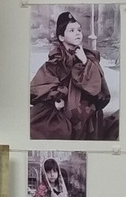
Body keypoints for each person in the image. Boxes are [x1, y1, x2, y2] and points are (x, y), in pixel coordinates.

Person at [30, 11, 114, 140]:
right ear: (61, 37)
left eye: (79, 30)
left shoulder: (89, 57)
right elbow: (40, 85)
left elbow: (98, 87)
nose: (77, 33)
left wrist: (85, 61)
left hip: (84, 109)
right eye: (72, 30)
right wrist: (55, 100)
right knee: (50, 129)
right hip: (61, 108)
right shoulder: (56, 60)